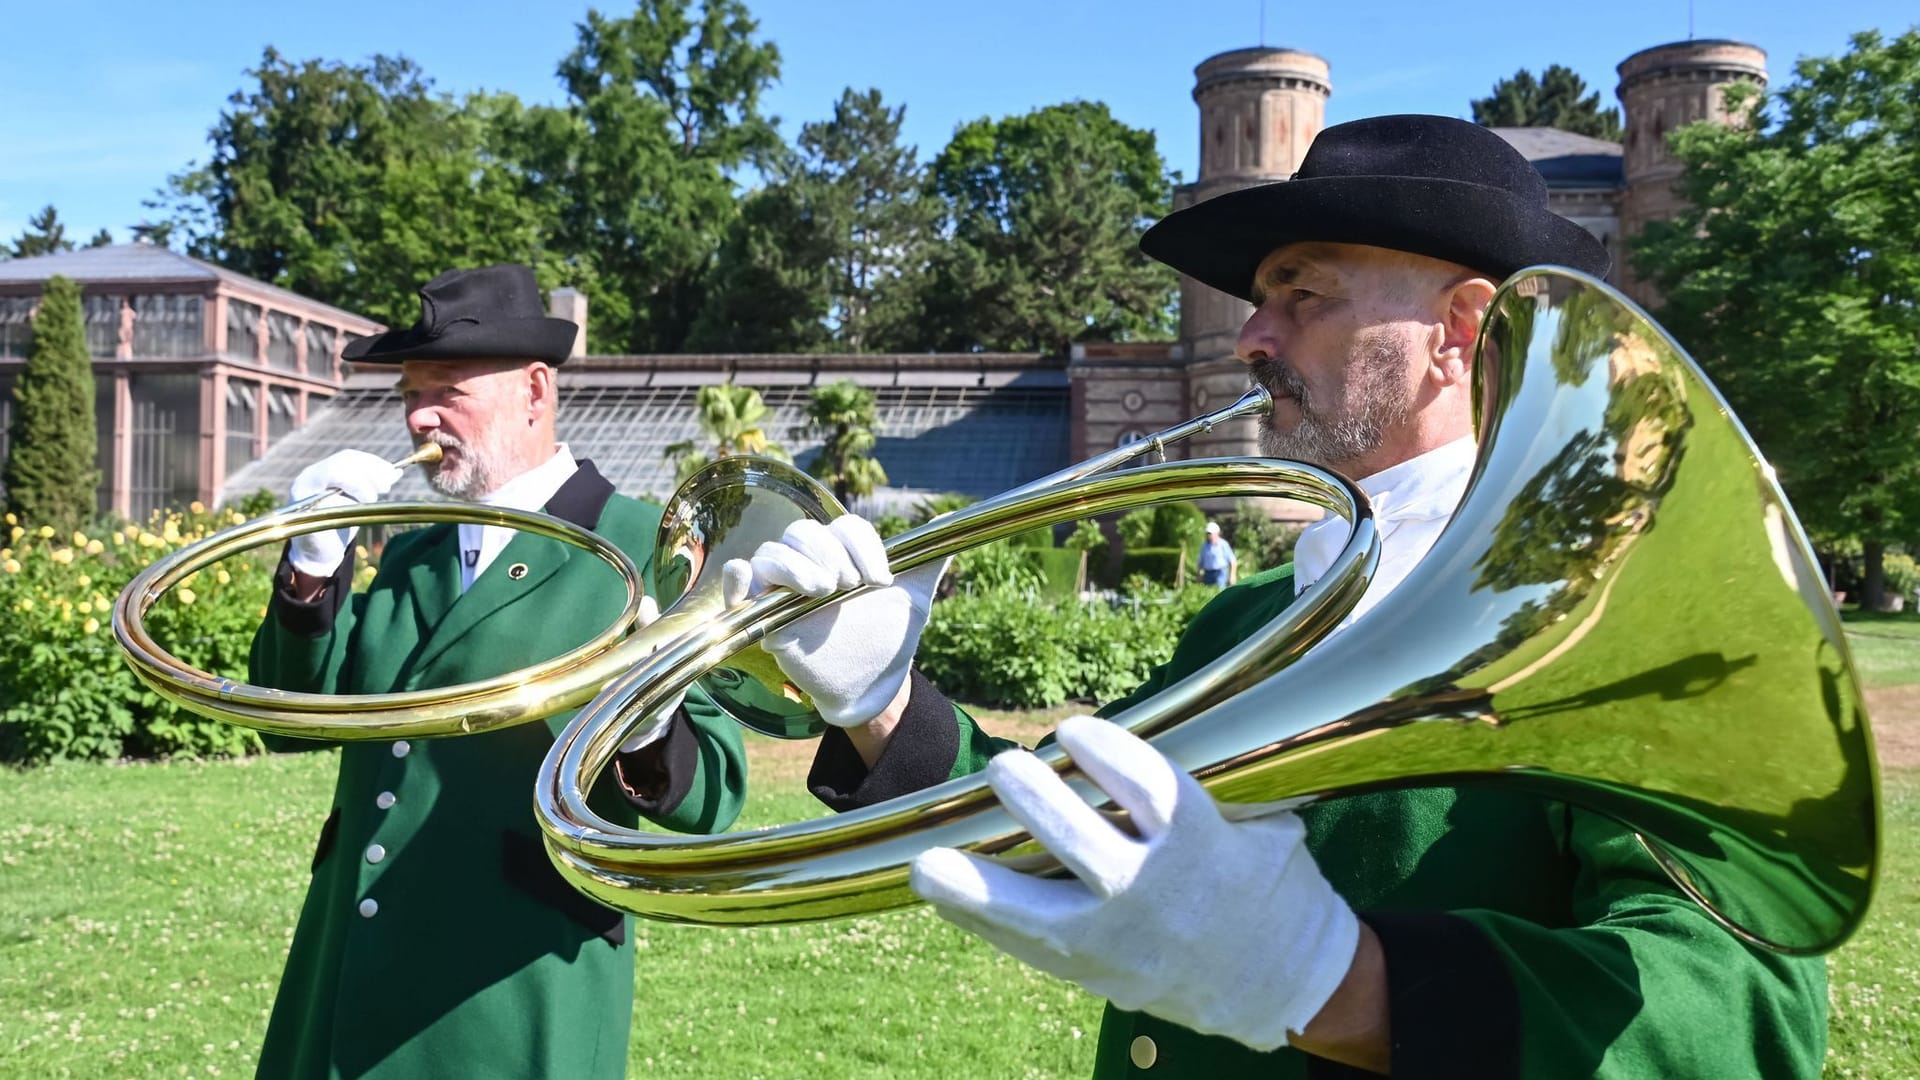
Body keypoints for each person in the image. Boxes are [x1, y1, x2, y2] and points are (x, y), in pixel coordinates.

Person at [721, 116, 1826, 1077]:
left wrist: (1341, 984)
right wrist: (879, 705)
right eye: (1259, 301)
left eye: (1304, 294)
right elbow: (1088, 836)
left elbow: (1739, 1011)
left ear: (1457, 331)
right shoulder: (1240, 619)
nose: (1251, 337)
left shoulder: (1609, 613)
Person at [248, 264, 747, 1080]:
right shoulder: (412, 545)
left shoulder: (642, 545)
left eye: (447, 388)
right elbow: (288, 718)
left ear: (535, 391)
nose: (419, 415)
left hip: (508, 986)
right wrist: (310, 566)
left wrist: (653, 723)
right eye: (409, 392)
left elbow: (715, 795)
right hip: (350, 958)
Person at [1197, 521, 1237, 587]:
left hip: (1220, 573)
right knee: (1209, 594)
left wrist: (1232, 575)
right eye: (1208, 533)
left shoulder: (1223, 544)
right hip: (1208, 574)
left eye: (1210, 533)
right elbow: (1200, 562)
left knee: (1220, 593)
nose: (1208, 535)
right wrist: (1198, 574)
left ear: (1216, 533)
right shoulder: (1204, 546)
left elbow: (1233, 561)